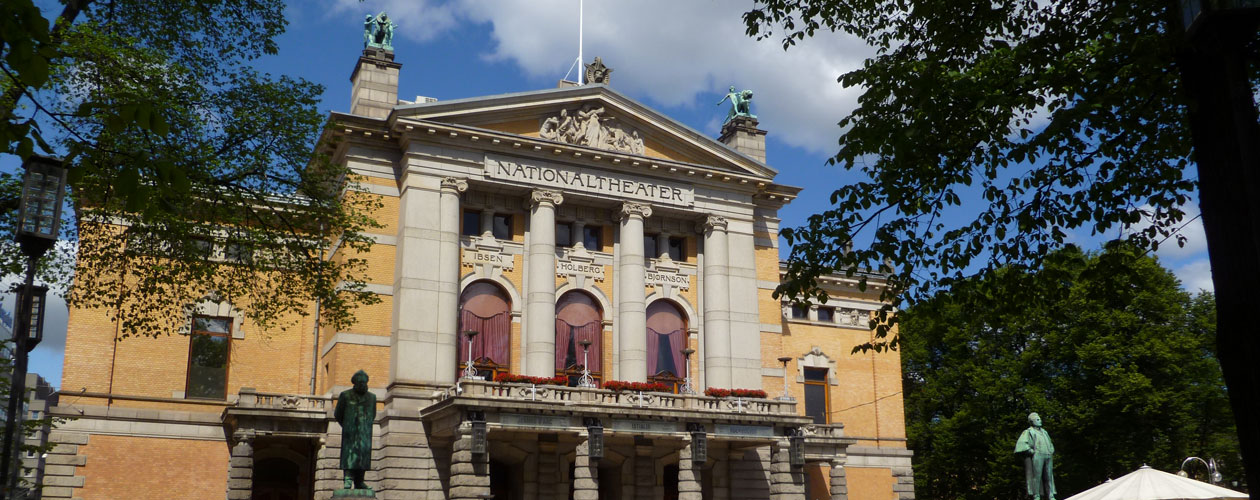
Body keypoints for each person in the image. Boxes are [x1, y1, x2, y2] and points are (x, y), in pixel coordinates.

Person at [334, 370, 377, 491]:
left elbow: (372, 414)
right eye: (360, 382)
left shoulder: (372, 397)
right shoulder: (345, 395)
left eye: (365, 382)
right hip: (350, 432)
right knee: (349, 456)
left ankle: (360, 481)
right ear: (355, 383)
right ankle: (347, 479)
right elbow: (338, 414)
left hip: (365, 432)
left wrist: (365, 426)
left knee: (363, 456)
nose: (363, 385)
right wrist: (347, 426)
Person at [1014, 412, 1056, 500]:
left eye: (1040, 419)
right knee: (1037, 477)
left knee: (1049, 477)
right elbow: (1021, 444)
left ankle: (1050, 495)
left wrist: (1051, 449)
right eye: (1037, 419)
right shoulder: (1028, 431)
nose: (1040, 420)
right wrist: (1030, 451)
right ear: (1032, 422)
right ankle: (1036, 496)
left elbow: (1050, 442)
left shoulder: (1044, 432)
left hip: (1048, 455)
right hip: (1038, 455)